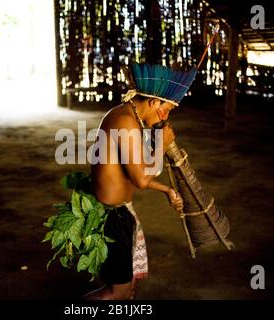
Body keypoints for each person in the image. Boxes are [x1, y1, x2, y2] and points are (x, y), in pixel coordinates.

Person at [84, 63, 196, 300]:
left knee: (128, 291)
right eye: (165, 109)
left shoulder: (128, 117)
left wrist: (165, 189)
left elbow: (128, 172)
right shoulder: (125, 122)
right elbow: (141, 179)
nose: (164, 116)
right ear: (154, 102)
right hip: (111, 218)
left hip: (119, 212)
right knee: (118, 292)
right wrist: (162, 144)